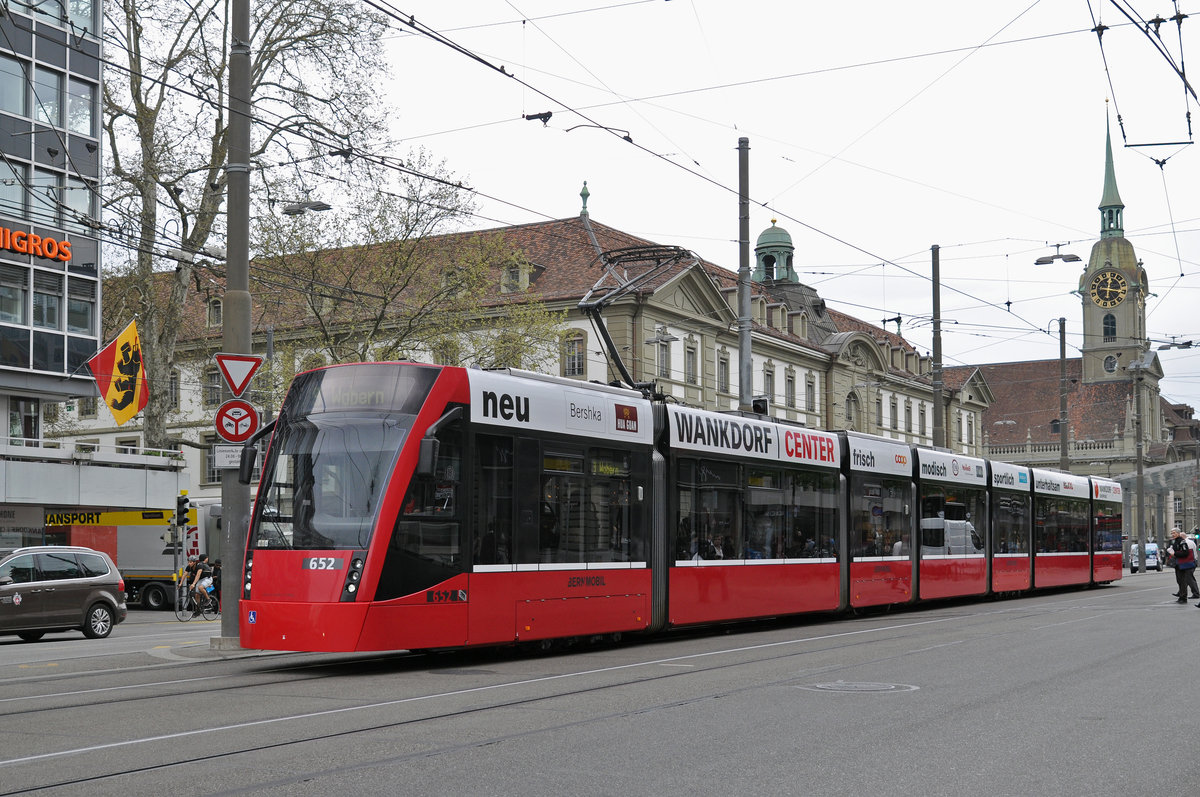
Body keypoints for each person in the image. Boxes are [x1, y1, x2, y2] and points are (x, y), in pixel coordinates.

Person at [1165, 529, 1199, 603]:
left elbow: (1185, 553)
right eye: (1171, 533)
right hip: (1178, 564)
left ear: (1178, 533)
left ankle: (1183, 597)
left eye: (1174, 533)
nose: (1172, 534)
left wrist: (1174, 554)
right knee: (1179, 581)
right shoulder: (1175, 541)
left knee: (1183, 581)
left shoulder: (1182, 541)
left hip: (1183, 564)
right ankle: (1181, 596)